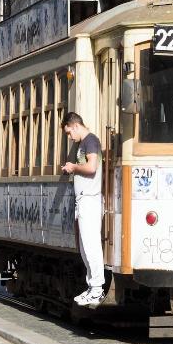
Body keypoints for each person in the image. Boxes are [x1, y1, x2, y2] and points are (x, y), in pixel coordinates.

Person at [61, 112, 105, 307]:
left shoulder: (91, 141)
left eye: (69, 132)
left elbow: (92, 167)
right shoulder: (83, 143)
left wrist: (73, 167)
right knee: (84, 247)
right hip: (84, 200)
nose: (70, 137)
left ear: (75, 125)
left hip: (90, 199)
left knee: (91, 245)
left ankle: (97, 289)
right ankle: (92, 287)